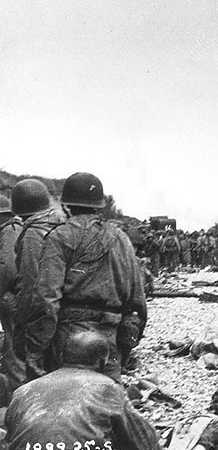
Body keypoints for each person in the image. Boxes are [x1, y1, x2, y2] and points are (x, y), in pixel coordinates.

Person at [23, 172, 147, 382]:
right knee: (107, 396)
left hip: (69, 337)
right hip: (109, 335)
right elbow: (137, 301)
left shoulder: (60, 236)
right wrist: (127, 345)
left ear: (66, 206)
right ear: (99, 206)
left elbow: (46, 298)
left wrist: (36, 347)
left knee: (66, 395)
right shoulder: (121, 238)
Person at [5, 331, 162, 450]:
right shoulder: (107, 387)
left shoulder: (23, 391)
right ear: (102, 362)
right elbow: (144, 442)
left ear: (62, 356)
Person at [10, 179, 66, 380]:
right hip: (65, 319)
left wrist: (26, 336)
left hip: (43, 324)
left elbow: (31, 288)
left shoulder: (33, 234)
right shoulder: (62, 226)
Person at [0, 195, 23, 402]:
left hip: (12, 299)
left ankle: (17, 402)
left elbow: (7, 268)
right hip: (16, 298)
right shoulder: (13, 229)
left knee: (13, 353)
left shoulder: (9, 231)